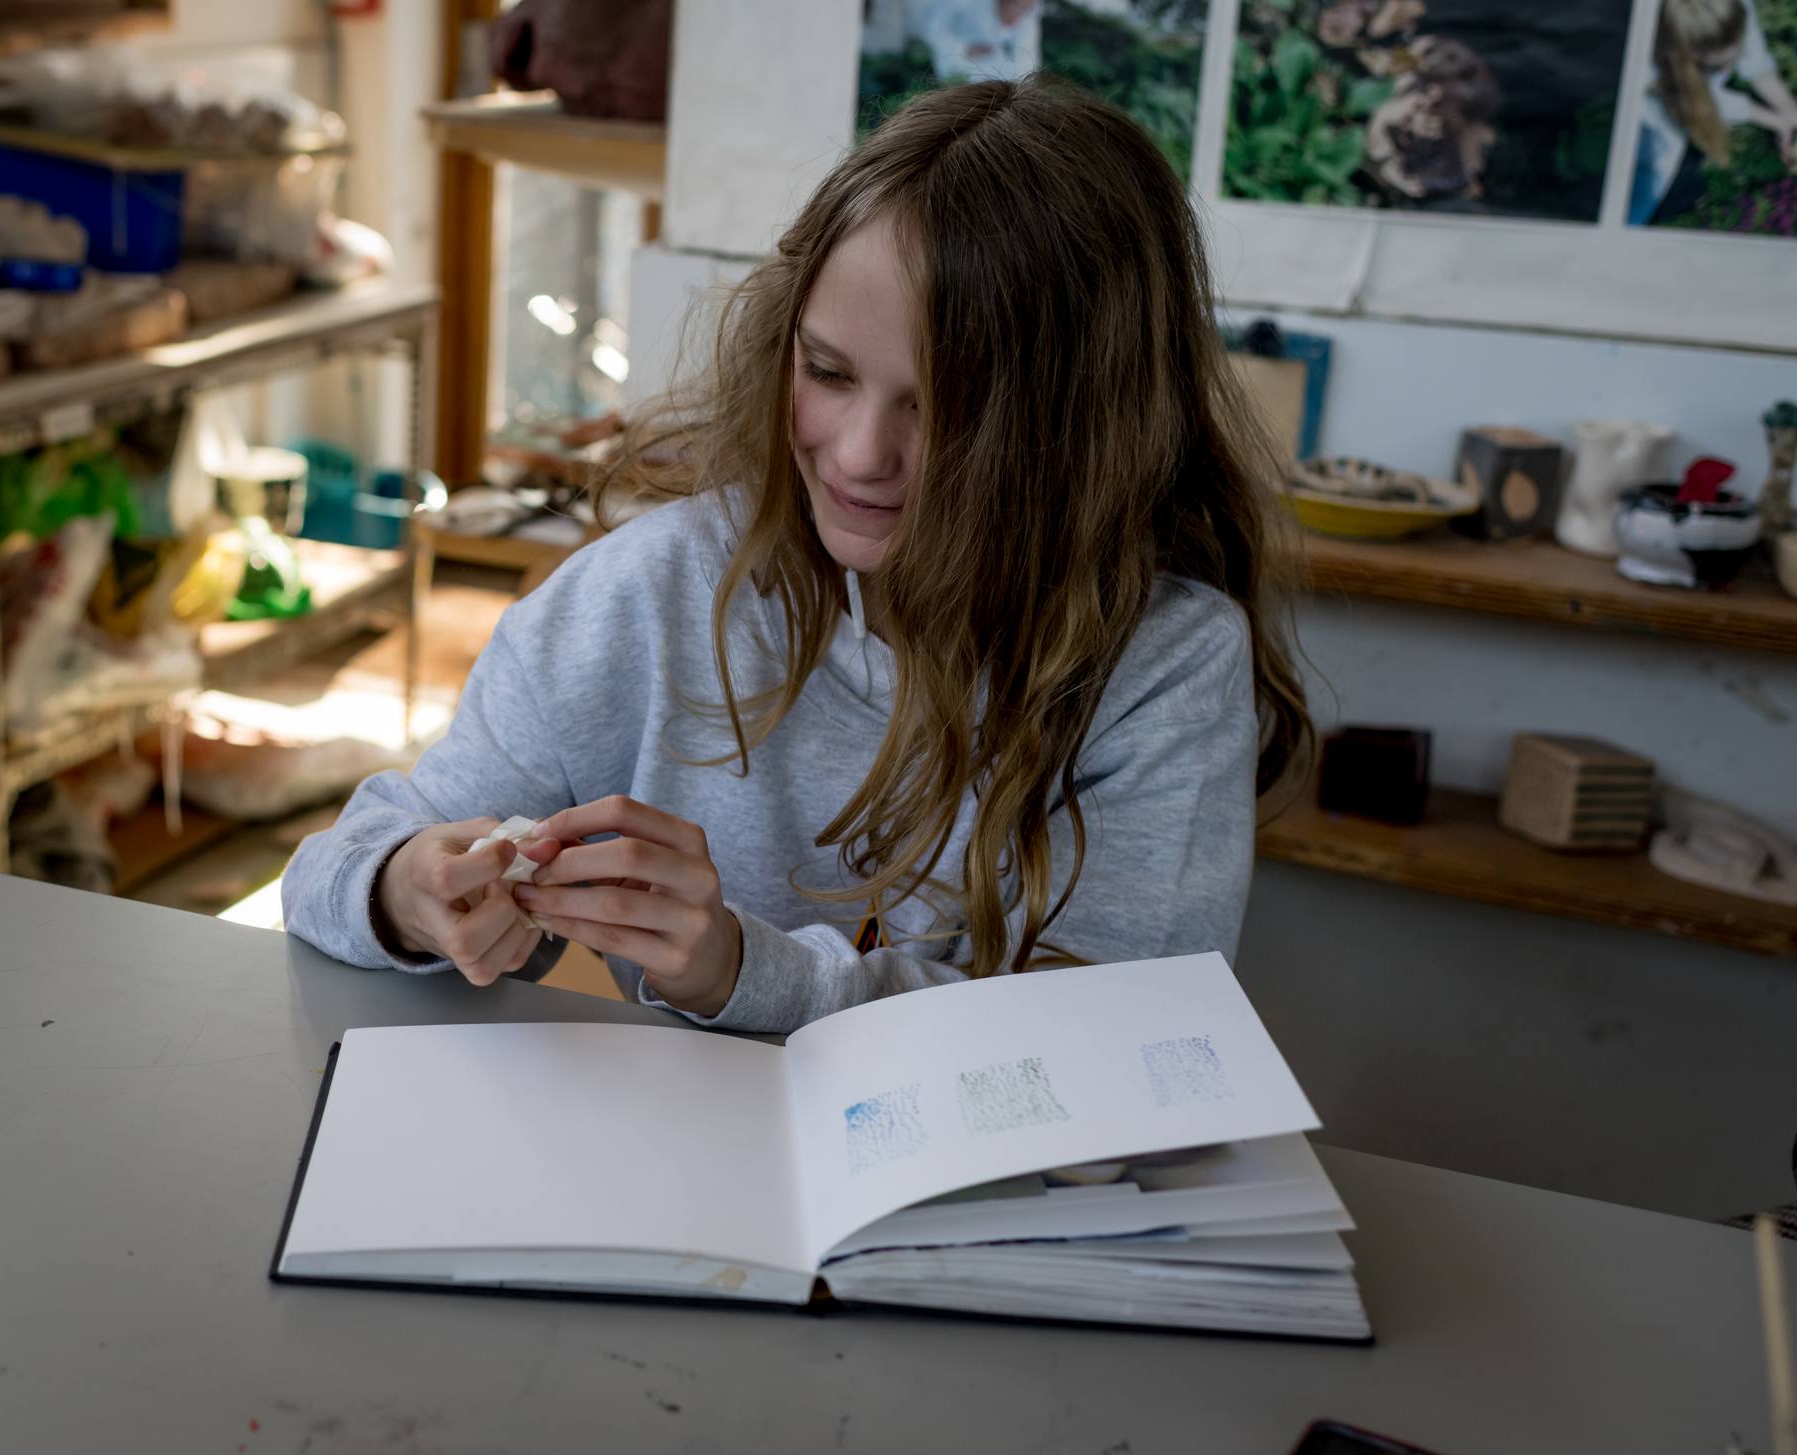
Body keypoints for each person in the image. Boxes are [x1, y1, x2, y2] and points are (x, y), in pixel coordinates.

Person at [282, 77, 1310, 1034]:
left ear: (1083, 429)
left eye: (944, 410)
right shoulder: (657, 587)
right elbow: (332, 870)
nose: (861, 456)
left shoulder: (1165, 667)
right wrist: (411, 890)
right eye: (825, 372)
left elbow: (1113, 1050)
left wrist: (743, 970)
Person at [1630, 0, 1797, 225]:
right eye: (1714, 68)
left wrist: (1790, 115)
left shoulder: (1727, 7)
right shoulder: (1643, 44)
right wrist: (1775, 120)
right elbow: (1689, 97)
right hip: (1647, 142)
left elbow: (1756, 66)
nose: (1727, 71)